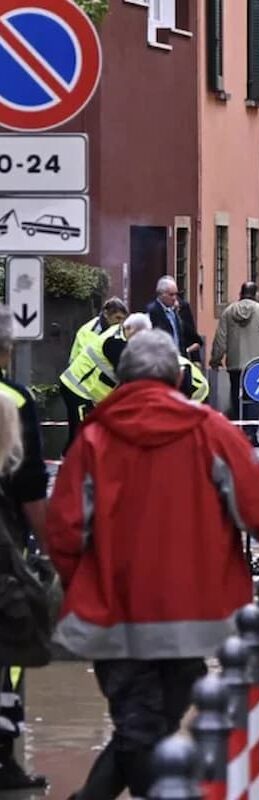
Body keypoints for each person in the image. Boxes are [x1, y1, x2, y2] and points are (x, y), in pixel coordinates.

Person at [45, 330, 259, 800]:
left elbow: (63, 532)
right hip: (194, 613)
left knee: (139, 726)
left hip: (113, 612)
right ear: (177, 376)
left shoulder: (92, 439)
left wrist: (80, 585)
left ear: (121, 378)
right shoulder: (211, 432)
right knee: (149, 726)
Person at [0, 305, 49, 791]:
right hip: (4, 547)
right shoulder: (12, 398)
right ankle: (3, 760)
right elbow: (32, 490)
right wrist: (56, 555)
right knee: (9, 650)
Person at [59, 312, 153, 449]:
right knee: (80, 434)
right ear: (131, 329)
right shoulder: (114, 343)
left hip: (89, 393)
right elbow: (129, 374)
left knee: (89, 433)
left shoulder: (119, 334)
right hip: (78, 389)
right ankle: (70, 465)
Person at [209, 282, 259, 448]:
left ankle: (239, 431)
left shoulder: (228, 312)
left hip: (235, 363)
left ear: (241, 293)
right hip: (258, 364)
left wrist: (216, 358)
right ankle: (251, 433)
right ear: (255, 293)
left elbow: (220, 338)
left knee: (236, 397)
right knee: (255, 399)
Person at [146, 276, 201, 363]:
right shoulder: (152, 311)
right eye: (171, 294)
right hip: (162, 361)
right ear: (161, 294)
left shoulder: (174, 311)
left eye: (176, 294)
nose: (174, 298)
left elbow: (181, 336)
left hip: (178, 359)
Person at [69, 297, 128, 365]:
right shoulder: (89, 331)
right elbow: (90, 358)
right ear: (106, 314)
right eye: (118, 318)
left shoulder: (117, 330)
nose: (121, 322)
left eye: (123, 319)